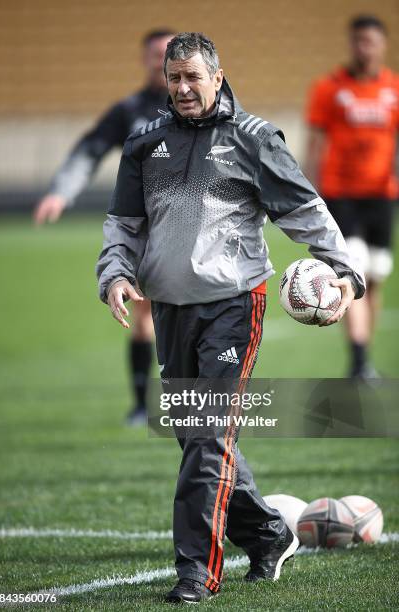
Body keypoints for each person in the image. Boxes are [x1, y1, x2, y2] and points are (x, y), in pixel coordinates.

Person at [96, 33, 365, 603]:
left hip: (233, 305)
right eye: (174, 78)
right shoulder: (145, 141)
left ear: (218, 77)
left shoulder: (254, 139)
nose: (183, 88)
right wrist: (115, 275)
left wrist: (344, 268)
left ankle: (196, 571)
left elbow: (304, 209)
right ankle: (267, 534)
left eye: (194, 77)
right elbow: (123, 225)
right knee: (198, 437)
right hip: (168, 306)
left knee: (208, 436)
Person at [33, 29, 175, 425]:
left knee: (188, 313)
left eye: (170, 52)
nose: (162, 61)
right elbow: (90, 149)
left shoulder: (198, 106)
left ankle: (184, 403)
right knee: (145, 313)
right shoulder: (128, 110)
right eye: (155, 54)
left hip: (195, 225)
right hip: (146, 227)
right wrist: (61, 192)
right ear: (144, 59)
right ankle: (141, 405)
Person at [305, 15, 399, 379]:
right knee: (353, 268)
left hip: (381, 196)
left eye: (370, 41)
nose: (364, 48)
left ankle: (363, 355)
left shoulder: (393, 88)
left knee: (375, 276)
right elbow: (315, 143)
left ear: (382, 45)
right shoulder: (329, 88)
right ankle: (359, 358)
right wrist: (310, 193)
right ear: (351, 43)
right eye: (358, 41)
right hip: (341, 194)